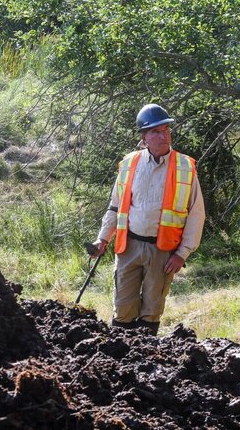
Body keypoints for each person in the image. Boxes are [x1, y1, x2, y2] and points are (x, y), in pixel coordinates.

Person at [92, 104, 205, 336]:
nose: (163, 136)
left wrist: (182, 253)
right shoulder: (129, 164)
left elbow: (196, 214)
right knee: (123, 309)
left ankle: (146, 361)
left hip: (163, 250)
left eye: (166, 130)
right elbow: (115, 206)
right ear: (144, 137)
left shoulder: (185, 167)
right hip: (128, 247)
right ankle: (120, 361)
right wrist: (102, 239)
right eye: (156, 132)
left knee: (151, 311)